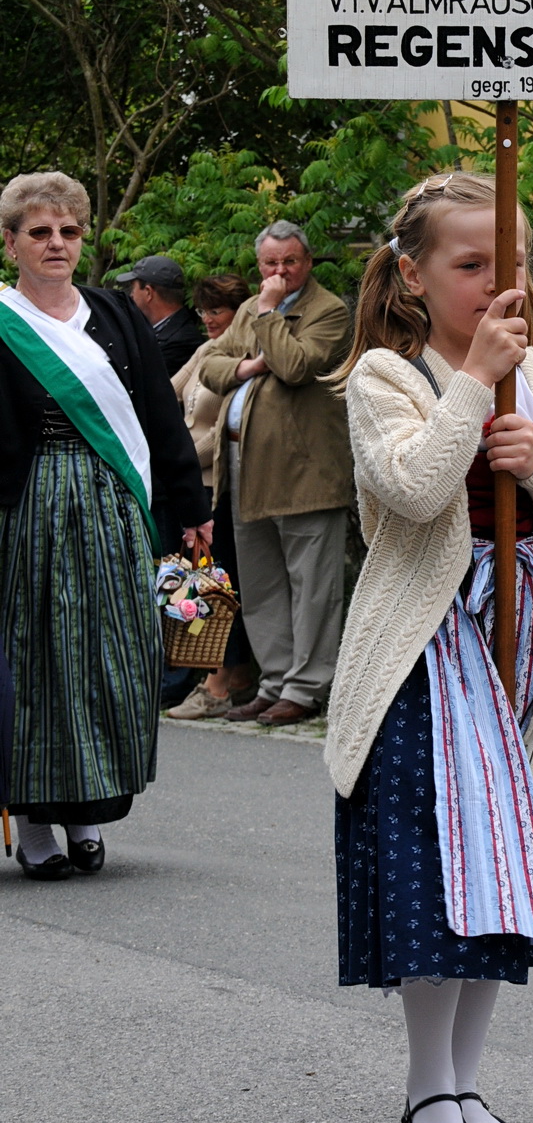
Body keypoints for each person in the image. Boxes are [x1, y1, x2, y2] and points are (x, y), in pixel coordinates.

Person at [326, 172, 533, 1123]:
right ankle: (426, 1092)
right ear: (414, 276)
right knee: (439, 875)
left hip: (521, 654)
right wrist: (474, 388)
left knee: (505, 870)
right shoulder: (384, 373)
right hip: (425, 658)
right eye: (470, 267)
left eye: (507, 263)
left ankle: (465, 1083)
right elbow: (414, 490)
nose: (496, 285)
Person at [0, 171, 210, 881]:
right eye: (39, 232)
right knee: (41, 662)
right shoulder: (3, 323)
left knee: (110, 659)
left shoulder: (115, 314)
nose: (56, 243)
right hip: (33, 508)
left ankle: (86, 810)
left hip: (118, 508)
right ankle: (34, 824)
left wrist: (191, 508)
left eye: (68, 231)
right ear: (11, 242)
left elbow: (160, 413)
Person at [198, 222, 353, 728]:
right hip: (244, 466)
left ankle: (307, 689)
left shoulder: (328, 310)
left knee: (312, 586)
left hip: (305, 471)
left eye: (289, 262)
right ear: (259, 263)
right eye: (270, 264)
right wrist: (247, 367)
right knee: (262, 585)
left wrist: (268, 316)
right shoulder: (247, 309)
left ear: (307, 262)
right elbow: (211, 366)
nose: (279, 272)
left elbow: (294, 367)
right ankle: (274, 681)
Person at [167, 273, 256, 721]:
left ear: (239, 312)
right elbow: (169, 391)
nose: (207, 320)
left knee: (214, 586)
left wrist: (174, 460)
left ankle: (217, 683)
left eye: (216, 311)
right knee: (194, 582)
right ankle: (225, 675)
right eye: (202, 311)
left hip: (212, 482)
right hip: (188, 478)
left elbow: (221, 432)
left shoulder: (245, 356)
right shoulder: (208, 350)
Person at [115, 254, 203, 374]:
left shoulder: (181, 343)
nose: (131, 295)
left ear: (148, 293)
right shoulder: (160, 331)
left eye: (133, 289)